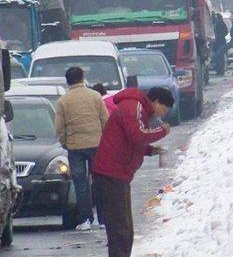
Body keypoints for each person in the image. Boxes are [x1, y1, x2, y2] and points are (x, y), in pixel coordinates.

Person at [92, 87, 173, 257]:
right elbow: (137, 135)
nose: (161, 115)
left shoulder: (138, 109)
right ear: (156, 101)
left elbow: (130, 141)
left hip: (118, 174)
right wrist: (162, 131)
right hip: (111, 172)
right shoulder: (133, 106)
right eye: (163, 109)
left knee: (124, 228)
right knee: (120, 228)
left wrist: (150, 150)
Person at [54, 67, 109, 231]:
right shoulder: (95, 96)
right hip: (96, 144)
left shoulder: (63, 101)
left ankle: (85, 219)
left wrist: (65, 142)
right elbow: (105, 119)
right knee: (99, 181)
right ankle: (103, 219)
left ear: (67, 81)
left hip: (75, 146)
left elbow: (59, 127)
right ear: (82, 78)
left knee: (80, 184)